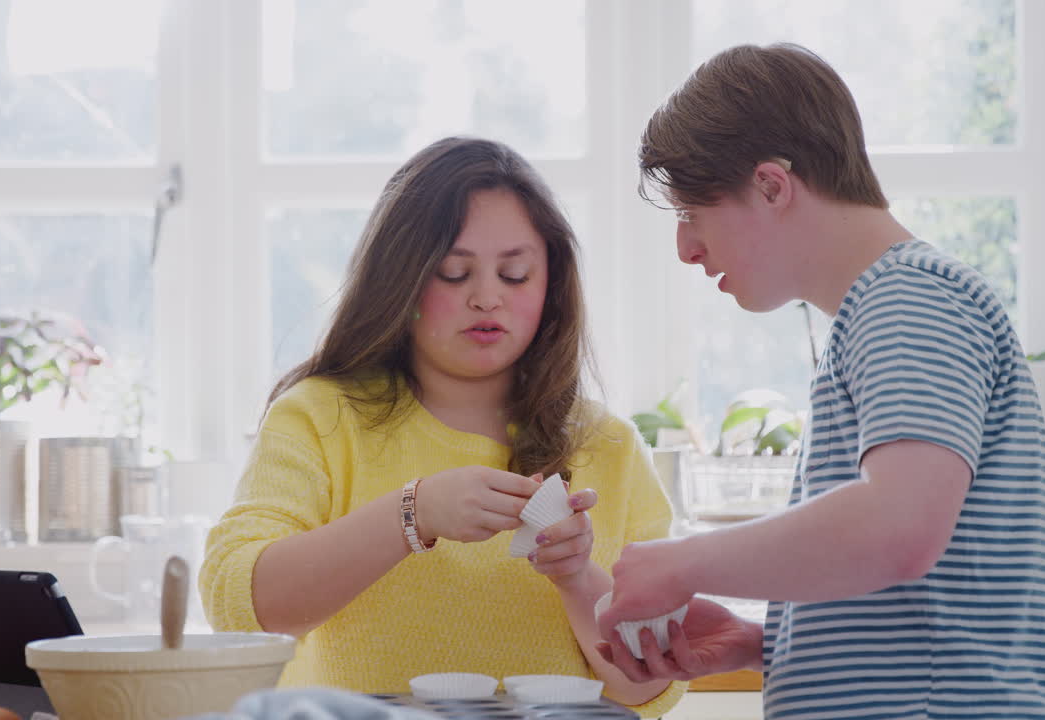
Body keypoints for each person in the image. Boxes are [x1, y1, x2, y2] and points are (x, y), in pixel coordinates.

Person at [596, 43, 1045, 719]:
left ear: (771, 186)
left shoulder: (909, 301)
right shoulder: (887, 311)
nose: (686, 249)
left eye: (692, 215)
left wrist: (683, 563)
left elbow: (899, 529)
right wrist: (774, 643)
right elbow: (927, 600)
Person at [199, 136, 686, 716]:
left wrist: (579, 578)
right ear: (401, 284)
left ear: (550, 287)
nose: (487, 299)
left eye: (515, 274)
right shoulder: (321, 417)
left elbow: (648, 687)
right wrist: (413, 512)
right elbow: (241, 608)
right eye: (455, 274)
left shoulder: (609, 447)